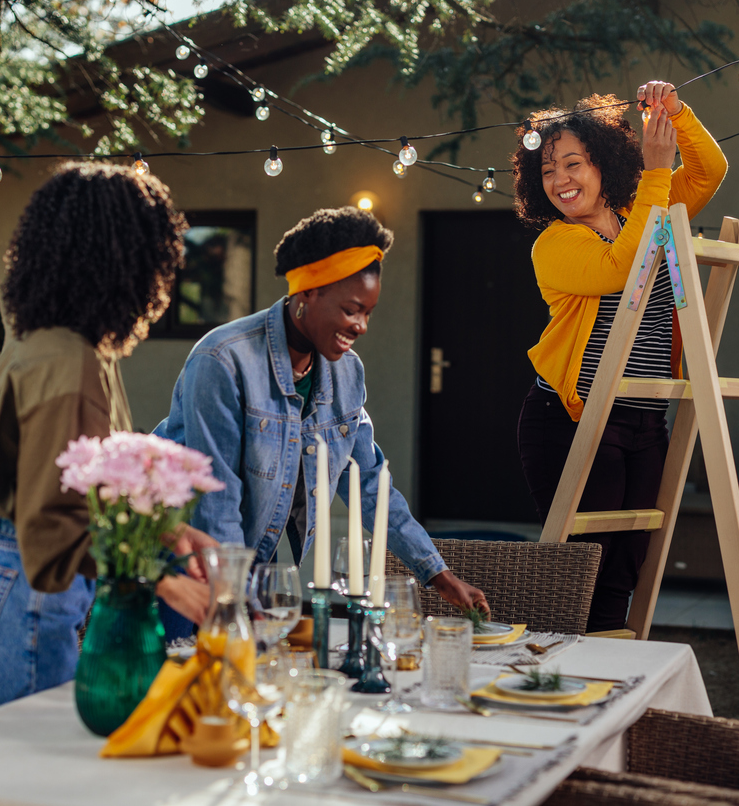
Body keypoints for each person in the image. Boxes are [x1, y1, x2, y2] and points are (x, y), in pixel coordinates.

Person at [0, 163, 217, 723]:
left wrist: (170, 530)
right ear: (122, 260)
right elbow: (49, 529)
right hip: (14, 594)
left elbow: (69, 485)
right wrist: (164, 581)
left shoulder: (46, 343)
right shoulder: (70, 361)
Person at [155, 207, 489, 639]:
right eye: (352, 310)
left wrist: (436, 573)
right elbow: (217, 496)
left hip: (250, 571)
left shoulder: (346, 372)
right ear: (308, 293)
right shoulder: (222, 359)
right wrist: (232, 601)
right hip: (188, 569)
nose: (362, 326)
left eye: (368, 313)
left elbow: (370, 482)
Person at [514, 81, 727, 632]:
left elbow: (709, 172)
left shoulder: (644, 211)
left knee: (627, 564)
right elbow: (619, 271)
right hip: (573, 418)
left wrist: (676, 115)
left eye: (573, 164)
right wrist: (657, 170)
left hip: (644, 417)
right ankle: (569, 685)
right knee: (586, 564)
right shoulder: (556, 243)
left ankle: (606, 685)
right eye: (548, 171)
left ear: (604, 163)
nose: (561, 180)